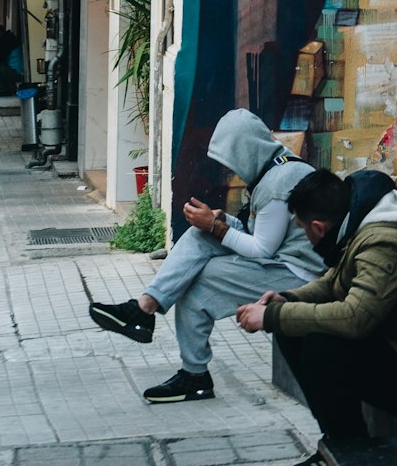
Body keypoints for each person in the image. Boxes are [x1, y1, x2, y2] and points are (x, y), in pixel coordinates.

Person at [237, 168, 397, 466]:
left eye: (304, 230)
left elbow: (355, 318)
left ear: (319, 228)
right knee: (292, 328)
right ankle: (337, 442)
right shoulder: (365, 226)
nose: (307, 237)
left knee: (321, 345)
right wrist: (289, 301)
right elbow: (335, 282)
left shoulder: (385, 242)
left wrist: (273, 315)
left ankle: (355, 455)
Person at [89, 109, 324, 403]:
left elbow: (263, 248)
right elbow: (263, 235)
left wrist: (216, 226)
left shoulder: (279, 183)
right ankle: (145, 308)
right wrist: (221, 221)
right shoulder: (277, 170)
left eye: (233, 159)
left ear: (246, 149)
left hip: (298, 275)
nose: (232, 169)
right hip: (281, 260)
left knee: (198, 280)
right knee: (199, 237)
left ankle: (193, 373)